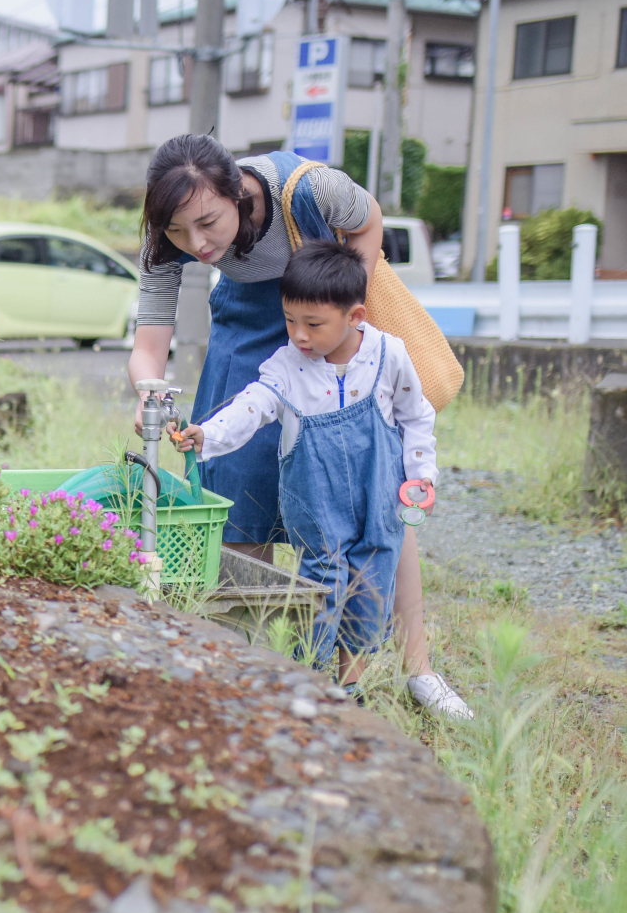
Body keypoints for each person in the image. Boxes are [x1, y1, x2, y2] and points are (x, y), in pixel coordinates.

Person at [130, 134, 471, 720]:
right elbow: (149, 340)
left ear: (238, 192)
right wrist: (148, 389)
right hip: (246, 338)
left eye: (209, 222)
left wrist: (342, 324)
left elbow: (370, 223)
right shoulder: (169, 231)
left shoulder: (312, 190)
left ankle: (419, 667)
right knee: (235, 493)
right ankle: (247, 661)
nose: (199, 244)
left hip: (330, 327)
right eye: (180, 233)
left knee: (372, 490)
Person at [169, 241, 432, 688]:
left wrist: (422, 475)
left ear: (355, 317)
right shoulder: (287, 366)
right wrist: (208, 433)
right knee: (320, 583)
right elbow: (252, 406)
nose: (300, 335)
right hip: (316, 503)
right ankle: (308, 678)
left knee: (370, 581)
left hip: (380, 496)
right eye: (290, 321)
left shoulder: (389, 355)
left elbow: (416, 415)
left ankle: (350, 686)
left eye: (313, 324)